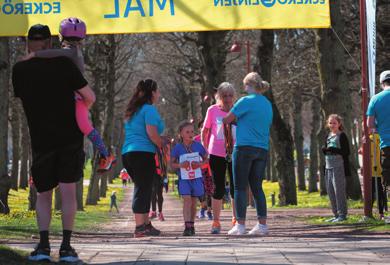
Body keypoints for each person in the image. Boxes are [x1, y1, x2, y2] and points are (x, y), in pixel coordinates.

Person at [12, 24, 95, 262]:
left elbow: (22, 98)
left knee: (43, 194)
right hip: (69, 138)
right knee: (68, 193)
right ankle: (67, 247)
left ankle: (43, 245)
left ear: (28, 43)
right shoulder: (65, 64)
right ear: (50, 43)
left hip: (41, 139)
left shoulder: (19, 69)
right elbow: (89, 96)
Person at [25, 17, 115, 172]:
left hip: (77, 98)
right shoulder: (74, 52)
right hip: (73, 97)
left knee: (85, 126)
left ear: (61, 36)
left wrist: (35, 55)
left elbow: (53, 53)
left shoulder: (71, 52)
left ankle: (105, 154)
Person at [223, 72, 272, 236]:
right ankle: (262, 225)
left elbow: (227, 119)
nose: (244, 88)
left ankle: (241, 225)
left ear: (249, 85)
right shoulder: (267, 103)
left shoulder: (245, 101)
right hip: (262, 148)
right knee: (257, 187)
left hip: (244, 147)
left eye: (245, 85)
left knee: (240, 187)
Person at [121, 79, 165, 238]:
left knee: (145, 187)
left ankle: (146, 224)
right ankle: (139, 227)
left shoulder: (133, 110)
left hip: (128, 153)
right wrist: (162, 144)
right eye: (157, 91)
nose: (159, 94)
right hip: (142, 153)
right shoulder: (149, 109)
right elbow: (152, 134)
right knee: (142, 188)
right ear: (152, 92)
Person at [202, 82, 236, 234]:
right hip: (216, 153)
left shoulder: (238, 110)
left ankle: (236, 219)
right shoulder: (213, 110)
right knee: (219, 188)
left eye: (230, 95)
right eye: (224, 96)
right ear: (219, 97)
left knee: (236, 187)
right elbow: (205, 130)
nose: (227, 99)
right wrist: (204, 149)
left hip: (235, 153)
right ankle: (216, 222)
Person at [171, 121, 209, 236]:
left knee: (193, 202)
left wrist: (200, 164)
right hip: (184, 179)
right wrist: (181, 165)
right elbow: (171, 164)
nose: (190, 134)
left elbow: (207, 159)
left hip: (197, 178)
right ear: (181, 134)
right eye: (187, 132)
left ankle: (192, 225)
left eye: (192, 131)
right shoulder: (178, 148)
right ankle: (187, 226)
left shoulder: (198, 146)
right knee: (187, 200)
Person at [322, 114, 350, 222]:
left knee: (339, 191)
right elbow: (327, 150)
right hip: (328, 167)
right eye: (330, 123)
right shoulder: (328, 135)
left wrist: (334, 149)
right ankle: (335, 214)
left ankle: (342, 214)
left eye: (334, 123)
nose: (332, 125)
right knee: (330, 191)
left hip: (339, 167)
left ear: (339, 124)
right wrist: (324, 150)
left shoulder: (341, 135)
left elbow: (346, 152)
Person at [367, 70, 390, 189]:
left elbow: (370, 124)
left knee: (387, 169)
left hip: (386, 142)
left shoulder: (375, 99)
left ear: (381, 83)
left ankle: (388, 188)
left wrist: (378, 129)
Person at [194, 120, 213, 220]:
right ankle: (202, 208)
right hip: (198, 169)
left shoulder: (212, 139)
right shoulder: (195, 140)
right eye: (201, 126)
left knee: (209, 190)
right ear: (199, 128)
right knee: (200, 189)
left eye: (205, 126)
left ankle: (209, 211)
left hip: (209, 169)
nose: (203, 128)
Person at [149, 154, 165, 221]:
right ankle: (153, 211)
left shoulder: (160, 150)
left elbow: (165, 162)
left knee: (159, 194)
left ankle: (160, 213)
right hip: (151, 174)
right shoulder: (149, 149)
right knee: (152, 193)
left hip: (160, 174)